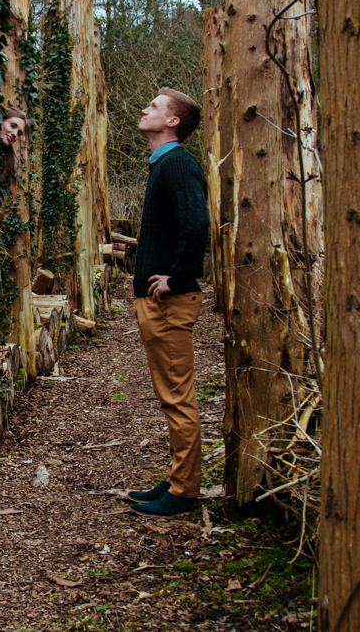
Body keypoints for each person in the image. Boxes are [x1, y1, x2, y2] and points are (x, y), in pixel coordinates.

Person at [127, 88, 210, 517]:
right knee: (170, 396)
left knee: (178, 398)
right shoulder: (164, 165)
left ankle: (184, 492)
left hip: (169, 304)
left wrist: (176, 277)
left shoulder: (178, 163)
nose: (146, 108)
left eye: (155, 106)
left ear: (174, 121)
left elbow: (197, 225)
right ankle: (179, 477)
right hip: (158, 304)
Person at [0, 107, 28, 208]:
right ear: (1, 120)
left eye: (19, 133)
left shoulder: (12, 164)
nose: (15, 134)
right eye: (13, 126)